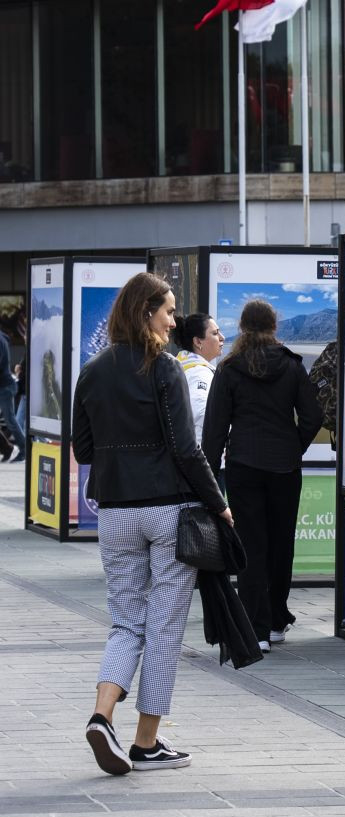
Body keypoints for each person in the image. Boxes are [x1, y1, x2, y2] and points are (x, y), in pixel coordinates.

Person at [72, 272, 232, 775]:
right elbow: (187, 448)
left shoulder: (93, 370)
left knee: (125, 622)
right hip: (168, 513)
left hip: (115, 512)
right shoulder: (164, 368)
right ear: (146, 313)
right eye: (167, 310)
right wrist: (219, 504)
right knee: (162, 628)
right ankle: (146, 743)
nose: (174, 320)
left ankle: (102, 716)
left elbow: (84, 449)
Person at [203, 300, 322, 653]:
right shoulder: (292, 366)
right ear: (274, 326)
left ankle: (254, 629)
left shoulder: (229, 369)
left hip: (243, 466)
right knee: (282, 543)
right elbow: (312, 417)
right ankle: (276, 620)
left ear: (242, 327)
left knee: (250, 545)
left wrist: (207, 479)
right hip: (285, 468)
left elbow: (214, 429)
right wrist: (293, 446)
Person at [174, 313, 225, 439]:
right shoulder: (199, 373)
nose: (222, 337)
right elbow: (201, 416)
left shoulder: (183, 367)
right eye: (215, 333)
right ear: (197, 341)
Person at [0, 314, 26, 463]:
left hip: (5, 387)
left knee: (11, 420)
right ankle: (6, 448)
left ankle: (23, 449)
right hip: (4, 385)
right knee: (11, 420)